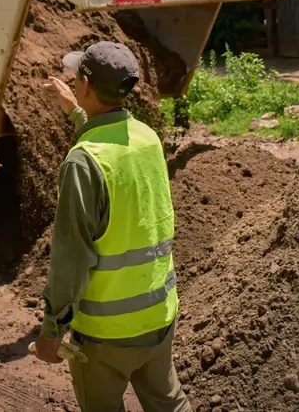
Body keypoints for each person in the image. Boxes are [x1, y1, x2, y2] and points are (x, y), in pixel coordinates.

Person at [33, 41, 192, 412]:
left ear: (86, 85)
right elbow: (111, 149)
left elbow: (70, 260)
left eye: (76, 78)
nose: (72, 82)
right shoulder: (147, 138)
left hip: (106, 335)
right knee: (169, 403)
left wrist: (50, 333)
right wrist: (75, 113)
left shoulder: (81, 164)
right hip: (158, 315)